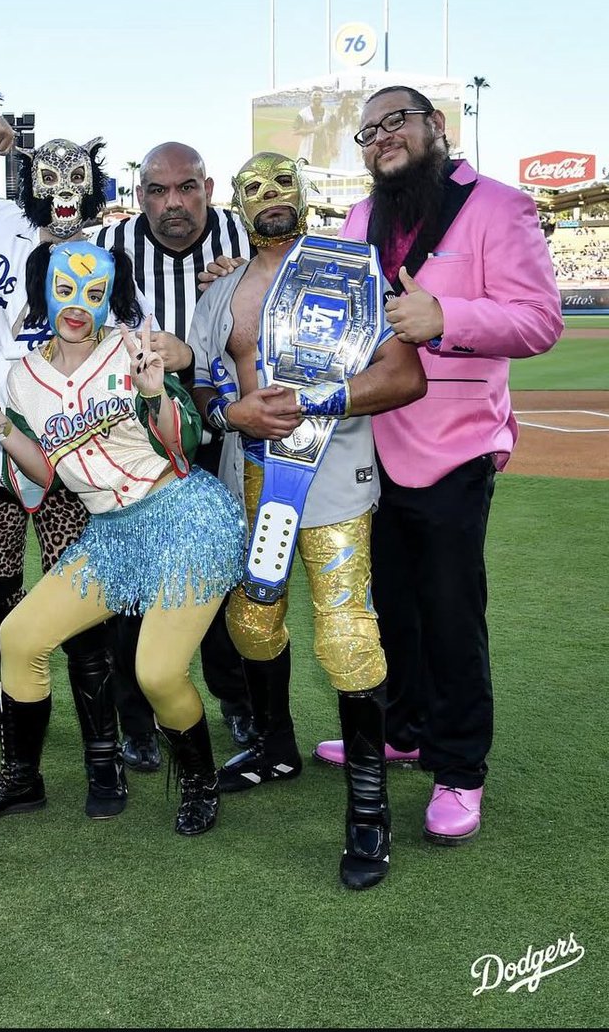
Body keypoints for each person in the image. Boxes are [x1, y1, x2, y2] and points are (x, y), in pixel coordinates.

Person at [312, 86, 563, 845]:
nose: (381, 137)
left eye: (396, 121)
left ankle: (459, 769)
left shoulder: (500, 207)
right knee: (389, 602)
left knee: (452, 614)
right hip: (366, 440)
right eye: (367, 130)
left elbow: (540, 321)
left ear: (436, 128)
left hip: (455, 441)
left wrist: (448, 318)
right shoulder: (360, 218)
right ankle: (406, 729)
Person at [0, 242, 246, 834]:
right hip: (109, 533)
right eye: (65, 289)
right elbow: (47, 471)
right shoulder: (22, 377)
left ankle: (199, 780)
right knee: (20, 635)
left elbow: (181, 448)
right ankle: (22, 776)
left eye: (92, 292)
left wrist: (156, 392)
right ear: (44, 291)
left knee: (158, 674)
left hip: (183, 515)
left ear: (111, 294)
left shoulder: (132, 348)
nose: (78, 305)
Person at [188, 150, 426, 888]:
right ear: (237, 202)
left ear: (304, 194)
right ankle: (274, 746)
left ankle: (368, 809)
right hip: (246, 480)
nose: (271, 198)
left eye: (283, 183)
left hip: (330, 482)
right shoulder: (218, 294)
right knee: (252, 623)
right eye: (254, 189)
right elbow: (198, 387)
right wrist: (230, 411)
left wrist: (322, 400)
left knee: (347, 629)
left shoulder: (353, 270)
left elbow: (406, 375)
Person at [0, 113, 147, 819]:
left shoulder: (110, 249)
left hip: (73, 463)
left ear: (94, 186)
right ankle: (19, 712)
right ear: (27, 182)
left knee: (82, 617)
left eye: (74, 178)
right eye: (47, 177)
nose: (61, 191)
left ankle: (102, 760)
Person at [92, 141, 256, 769]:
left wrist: (191, 350)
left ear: (209, 188)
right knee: (133, 584)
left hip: (224, 435)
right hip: (138, 445)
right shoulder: (113, 249)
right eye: (157, 191)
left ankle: (238, 702)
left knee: (222, 577)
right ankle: (136, 719)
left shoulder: (245, 234)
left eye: (186, 187)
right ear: (140, 197)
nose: (173, 203)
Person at [293, 90, 329, 167]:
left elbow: (326, 132)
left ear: (323, 97)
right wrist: (313, 130)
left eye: (319, 95)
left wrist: (326, 147)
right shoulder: (303, 113)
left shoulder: (327, 113)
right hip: (307, 150)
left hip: (320, 151)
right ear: (311, 97)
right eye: (315, 95)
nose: (317, 96)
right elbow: (295, 131)